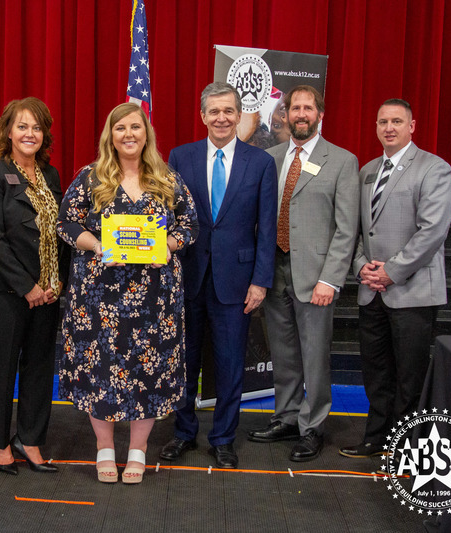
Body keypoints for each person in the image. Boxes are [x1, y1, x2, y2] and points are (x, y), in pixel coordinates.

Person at [58, 102, 197, 483]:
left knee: (148, 372)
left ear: (146, 133)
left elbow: (189, 224)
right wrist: (97, 244)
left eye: (135, 127)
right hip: (99, 298)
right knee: (100, 370)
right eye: (120, 128)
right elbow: (66, 223)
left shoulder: (167, 179)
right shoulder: (89, 178)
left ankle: (138, 450)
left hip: (155, 298)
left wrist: (166, 246)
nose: (129, 135)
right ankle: (104, 448)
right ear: (111, 135)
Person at [159, 82, 277, 469]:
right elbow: (169, 216)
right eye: (214, 111)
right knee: (184, 363)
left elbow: (267, 228)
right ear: (203, 116)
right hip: (187, 278)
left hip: (238, 283)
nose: (222, 118)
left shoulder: (260, 163)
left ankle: (224, 438)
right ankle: (183, 432)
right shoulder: (181, 156)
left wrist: (260, 281)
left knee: (229, 366)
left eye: (229, 111)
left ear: (239, 114)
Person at [248, 85, 360, 462]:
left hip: (316, 277)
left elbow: (347, 229)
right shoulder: (272, 157)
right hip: (275, 270)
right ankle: (287, 417)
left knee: (314, 356)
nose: (300, 114)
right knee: (283, 353)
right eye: (294, 107)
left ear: (319, 114)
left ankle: (313, 427)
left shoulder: (342, 161)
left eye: (307, 108)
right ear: (286, 114)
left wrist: (331, 278)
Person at [339, 99, 451, 460]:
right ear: (375, 126)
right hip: (371, 291)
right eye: (382, 121)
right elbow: (357, 229)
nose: (389, 127)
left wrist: (392, 270)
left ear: (412, 125)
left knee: (410, 378)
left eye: (397, 121)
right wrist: (361, 266)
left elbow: (432, 231)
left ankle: (409, 450)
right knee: (376, 373)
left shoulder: (434, 169)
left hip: (412, 291)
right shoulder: (368, 171)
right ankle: (375, 439)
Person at [0, 97, 66, 475]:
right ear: (7, 132)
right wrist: (27, 286)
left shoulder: (52, 176)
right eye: (22, 126)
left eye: (37, 127)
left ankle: (30, 440)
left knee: (40, 368)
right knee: (2, 367)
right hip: (6, 292)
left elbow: (59, 234)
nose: (30, 134)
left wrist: (54, 282)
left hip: (48, 293)